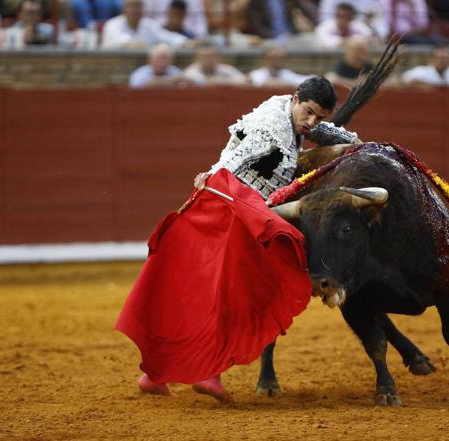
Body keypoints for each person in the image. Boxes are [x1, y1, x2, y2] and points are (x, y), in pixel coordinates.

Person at [115, 76, 362, 403]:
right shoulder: (269, 128)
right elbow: (234, 160)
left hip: (246, 213)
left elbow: (320, 130)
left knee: (208, 294)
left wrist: (352, 140)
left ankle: (155, 374)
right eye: (309, 112)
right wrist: (212, 174)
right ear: (295, 98)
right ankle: (207, 372)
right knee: (235, 294)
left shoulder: (294, 115)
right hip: (237, 215)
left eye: (320, 116)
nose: (312, 122)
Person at [101, 0, 187, 48]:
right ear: (124, 9)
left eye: (138, 6)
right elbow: (123, 41)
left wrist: (185, 42)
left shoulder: (149, 25)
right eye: (132, 6)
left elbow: (168, 37)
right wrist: (133, 44)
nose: (135, 10)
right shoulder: (112, 24)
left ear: (143, 9)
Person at [182, 42, 248, 86]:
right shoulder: (191, 70)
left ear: (218, 57)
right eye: (205, 57)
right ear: (197, 58)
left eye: (212, 56)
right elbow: (204, 83)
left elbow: (245, 81)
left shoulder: (226, 69)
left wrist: (220, 81)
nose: (209, 60)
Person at [248, 45, 312, 87]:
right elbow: (258, 82)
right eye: (273, 58)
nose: (276, 61)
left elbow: (304, 80)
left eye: (280, 58)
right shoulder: (257, 74)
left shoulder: (287, 74)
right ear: (266, 59)